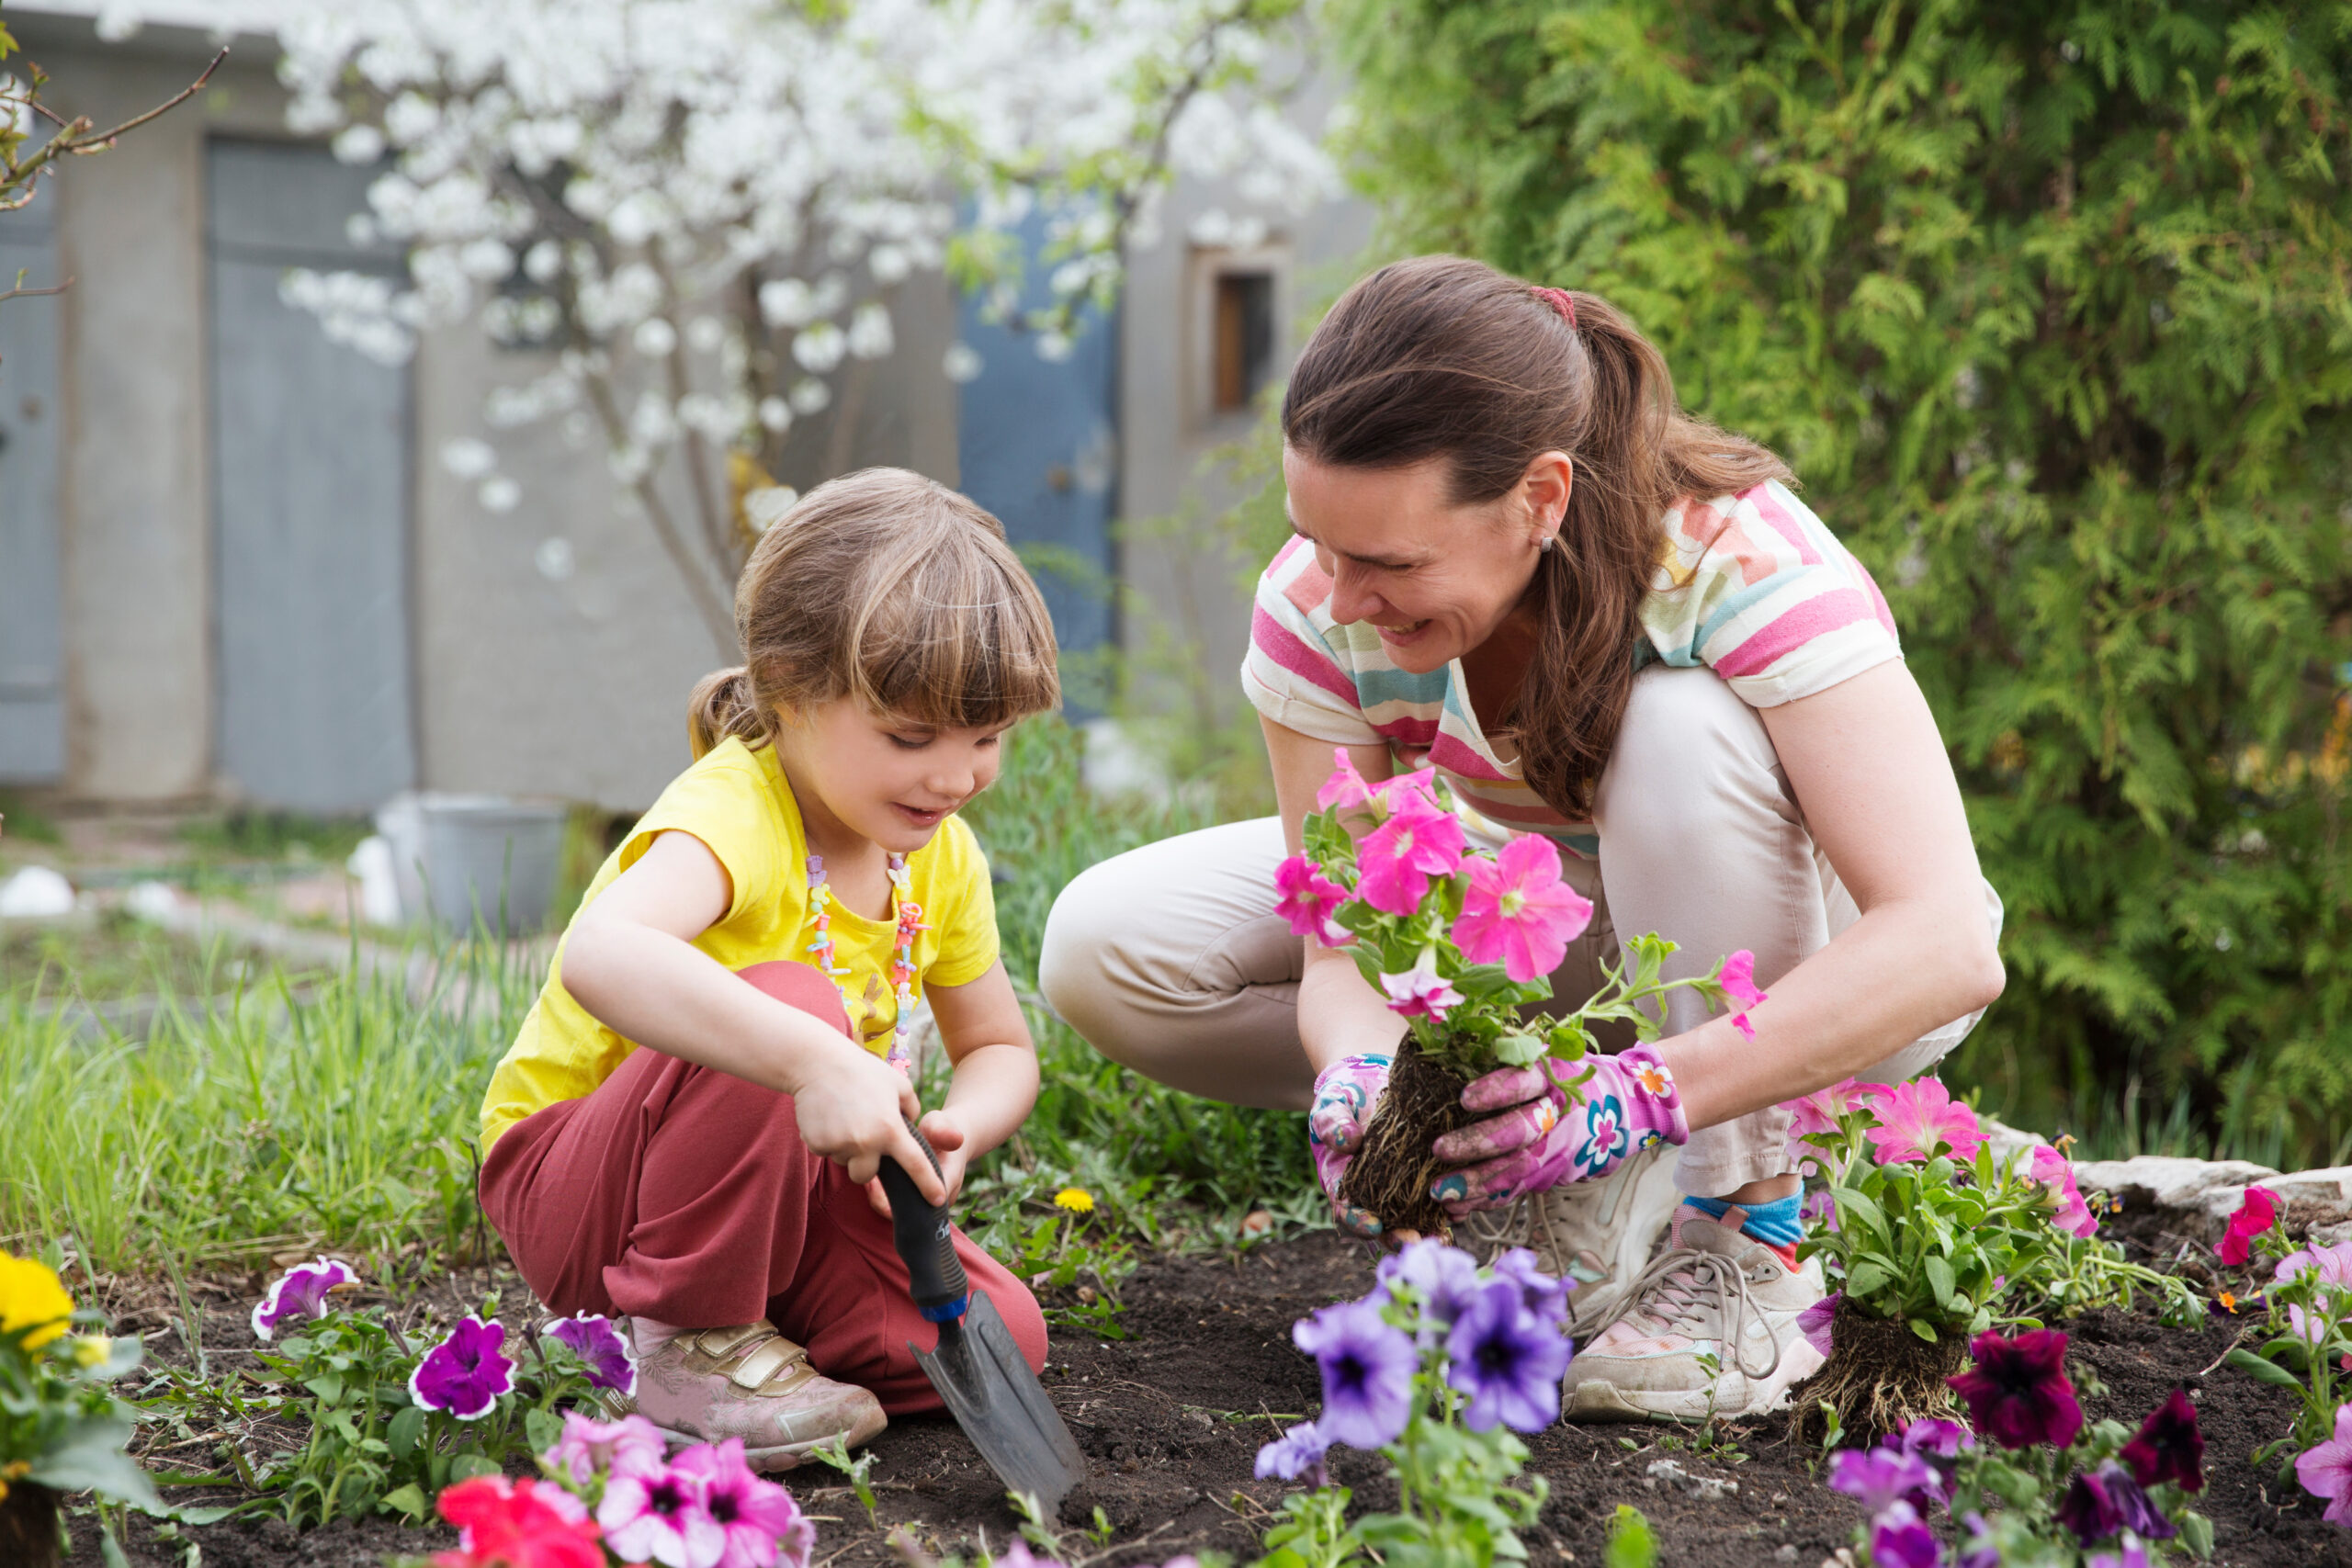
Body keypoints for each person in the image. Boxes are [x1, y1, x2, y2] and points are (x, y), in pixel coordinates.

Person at [1039, 256, 2005, 1421]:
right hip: (1556, 940)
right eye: (1319, 542)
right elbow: (1343, 938)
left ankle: (1745, 1229)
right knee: (1109, 946)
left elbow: (1947, 938)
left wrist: (1640, 1092)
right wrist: (1362, 1072)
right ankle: (1540, 1167)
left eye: (1391, 563)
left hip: (1809, 965)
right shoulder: (1320, 600)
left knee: (1679, 729)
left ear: (1538, 499)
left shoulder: (1732, 561)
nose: (1339, 597)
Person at [477, 468, 1059, 1470]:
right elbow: (602, 955)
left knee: (1001, 1327)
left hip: (783, 1200)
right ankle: (681, 1341)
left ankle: (751, 1341)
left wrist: (959, 1132)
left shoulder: (936, 852)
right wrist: (815, 1060)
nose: (956, 777)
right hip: (586, 1194)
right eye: (910, 736)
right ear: (790, 694)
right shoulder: (733, 816)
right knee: (794, 1004)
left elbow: (1000, 1044)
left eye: (988, 738)